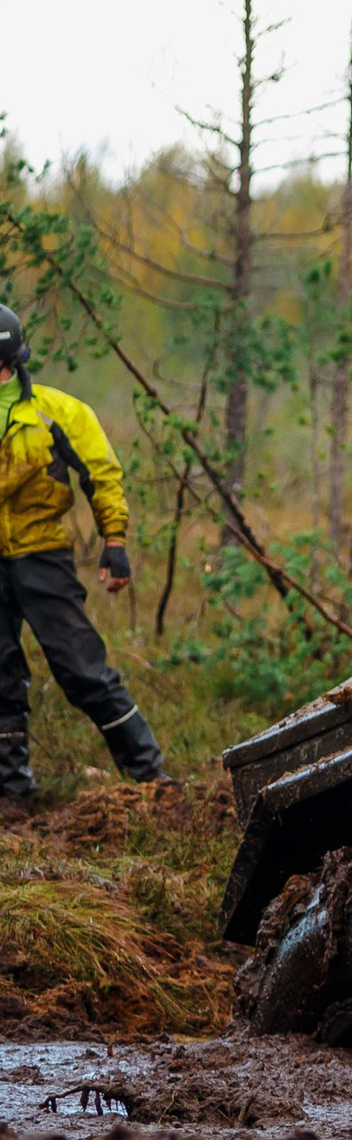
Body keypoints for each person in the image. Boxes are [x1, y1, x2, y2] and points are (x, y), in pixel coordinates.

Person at [0, 305, 170, 814]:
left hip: (42, 556)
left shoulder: (59, 412)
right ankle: (13, 792)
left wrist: (114, 542)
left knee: (81, 669)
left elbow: (102, 474)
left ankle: (150, 777)